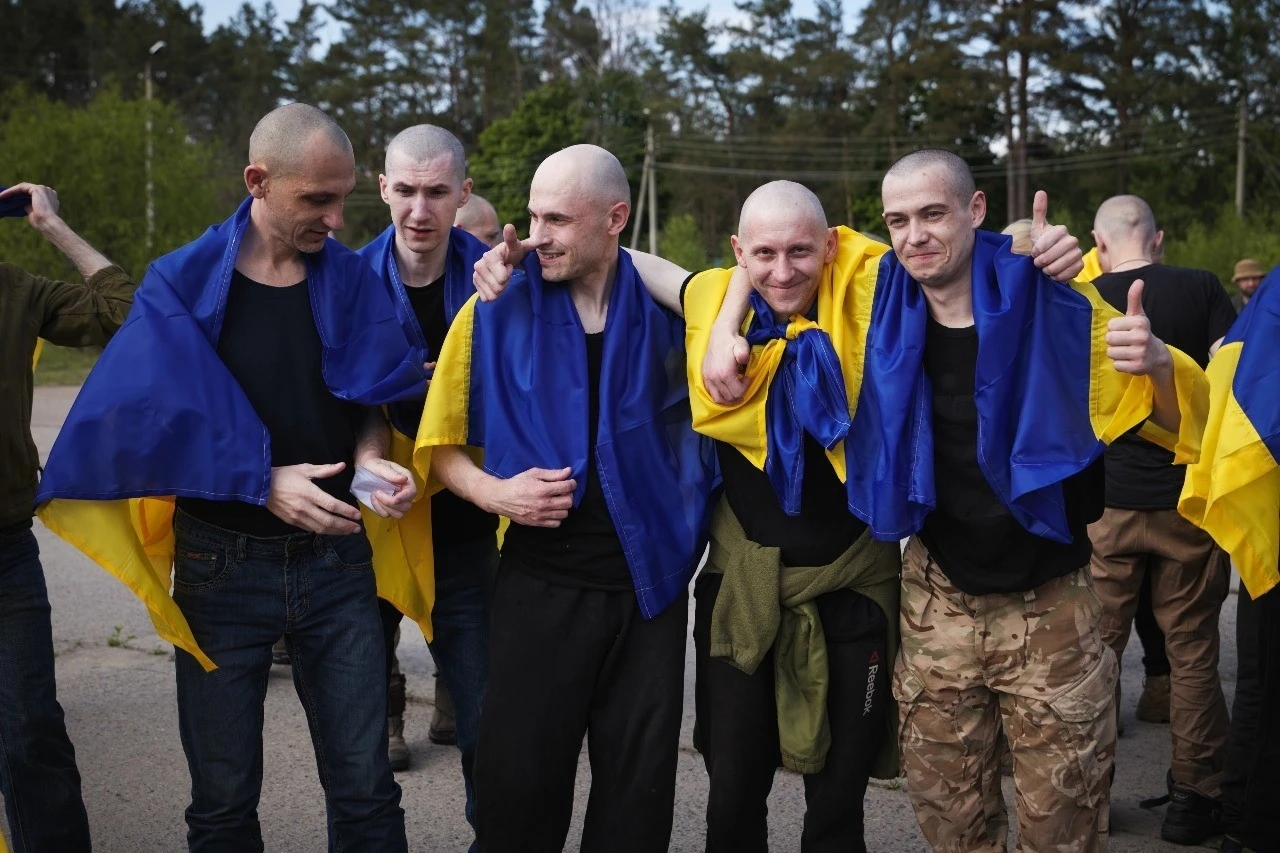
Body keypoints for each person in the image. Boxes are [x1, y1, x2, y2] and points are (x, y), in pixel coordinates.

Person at [702, 149, 1208, 851]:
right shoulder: (876, 302)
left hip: (1051, 605)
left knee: (1061, 827)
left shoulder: (1054, 305)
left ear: (976, 210)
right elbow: (771, 251)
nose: (915, 235)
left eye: (934, 213)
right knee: (952, 824)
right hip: (937, 602)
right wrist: (725, 324)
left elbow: (1186, 427)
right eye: (898, 220)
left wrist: (1157, 364)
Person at [35, 103, 429, 852]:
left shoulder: (350, 277)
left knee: (367, 791)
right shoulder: (180, 282)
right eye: (317, 199)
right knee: (222, 804)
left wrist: (372, 460)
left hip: (338, 564)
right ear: (258, 181)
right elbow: (149, 425)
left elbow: (370, 400)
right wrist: (261, 481)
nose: (337, 219)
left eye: (345, 197)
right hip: (220, 568)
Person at [419, 144, 719, 852]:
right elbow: (438, 447)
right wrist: (497, 493)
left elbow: (746, 311)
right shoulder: (494, 309)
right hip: (539, 587)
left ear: (615, 219)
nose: (536, 236)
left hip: (649, 596)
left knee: (636, 806)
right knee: (517, 798)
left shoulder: (674, 317)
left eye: (557, 220)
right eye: (532, 216)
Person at [356, 125, 496, 834]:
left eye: (437, 192)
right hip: (369, 524)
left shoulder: (497, 281)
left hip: (463, 528)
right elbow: (339, 404)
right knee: (356, 733)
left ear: (463, 194)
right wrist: (366, 468)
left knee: (485, 721)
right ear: (382, 188)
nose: (419, 210)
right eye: (405, 190)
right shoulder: (346, 280)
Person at [1085, 194, 1237, 845]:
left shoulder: (1083, 297)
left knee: (1095, 657)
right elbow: (1231, 383)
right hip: (1186, 499)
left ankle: (1088, 800)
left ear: (1098, 242)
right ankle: (1195, 801)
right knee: (1193, 650)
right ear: (1159, 237)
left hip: (1106, 505)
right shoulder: (1203, 287)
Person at [0, 181, 135, 852]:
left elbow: (125, 312)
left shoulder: (16, 290)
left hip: (5, 553)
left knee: (31, 730)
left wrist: (53, 227)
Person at [1180, 263, 1280, 853]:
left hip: (1235, 499)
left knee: (1206, 657)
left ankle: (1216, 807)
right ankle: (1230, 811)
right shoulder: (1206, 289)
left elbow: (1225, 368)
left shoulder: (1262, 299)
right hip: (1258, 510)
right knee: (1198, 655)